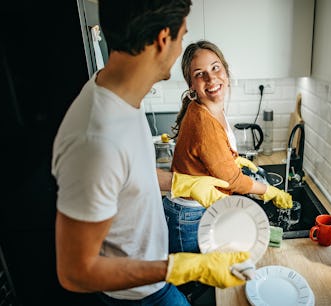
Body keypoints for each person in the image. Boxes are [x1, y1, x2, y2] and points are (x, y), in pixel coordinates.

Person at [51, 2, 254, 305]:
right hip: (140, 295)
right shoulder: (95, 139)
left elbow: (129, 177)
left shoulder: (124, 96)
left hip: (153, 273)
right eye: (182, 35)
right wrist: (179, 267)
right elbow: (75, 271)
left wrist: (179, 183)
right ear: (163, 39)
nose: (181, 46)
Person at [163, 40, 293, 255]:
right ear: (191, 85)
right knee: (193, 284)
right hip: (190, 217)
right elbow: (232, 180)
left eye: (215, 68)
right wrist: (269, 191)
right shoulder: (204, 121)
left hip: (198, 210)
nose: (211, 78)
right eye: (199, 74)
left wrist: (233, 158)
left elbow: (212, 153)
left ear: (225, 70)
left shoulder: (211, 108)